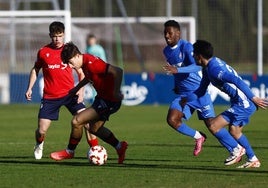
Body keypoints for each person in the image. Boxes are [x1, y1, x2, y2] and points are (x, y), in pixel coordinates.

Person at [25, 21, 98, 160]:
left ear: (64, 35)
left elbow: (81, 73)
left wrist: (80, 91)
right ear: (50, 36)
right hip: (50, 97)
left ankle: (95, 149)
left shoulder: (69, 51)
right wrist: (29, 88)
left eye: (59, 36)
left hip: (70, 95)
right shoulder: (43, 52)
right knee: (41, 131)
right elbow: (35, 69)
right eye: (54, 36)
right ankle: (39, 144)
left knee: (88, 123)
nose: (57, 39)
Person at [192, 39, 268, 168]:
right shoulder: (208, 67)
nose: (192, 56)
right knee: (235, 131)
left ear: (199, 56)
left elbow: (236, 80)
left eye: (194, 53)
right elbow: (201, 89)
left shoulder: (214, 69)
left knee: (213, 125)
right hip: (240, 102)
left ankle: (236, 150)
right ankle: (253, 159)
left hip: (243, 102)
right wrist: (187, 100)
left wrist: (253, 97)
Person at [50, 42, 128, 164]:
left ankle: (70, 151)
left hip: (109, 101)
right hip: (102, 99)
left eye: (70, 62)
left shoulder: (92, 63)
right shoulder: (85, 62)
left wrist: (116, 92)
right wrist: (77, 88)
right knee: (94, 128)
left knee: (77, 121)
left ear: (76, 55)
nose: (70, 66)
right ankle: (119, 147)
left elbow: (118, 71)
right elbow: (89, 77)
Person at [162, 20, 215, 156]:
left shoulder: (186, 47)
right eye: (165, 33)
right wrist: (176, 85)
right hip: (184, 95)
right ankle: (198, 137)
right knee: (172, 120)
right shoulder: (166, 51)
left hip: (198, 92)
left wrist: (177, 70)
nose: (167, 36)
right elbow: (175, 71)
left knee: (213, 126)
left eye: (170, 33)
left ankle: (237, 148)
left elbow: (197, 66)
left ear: (178, 33)